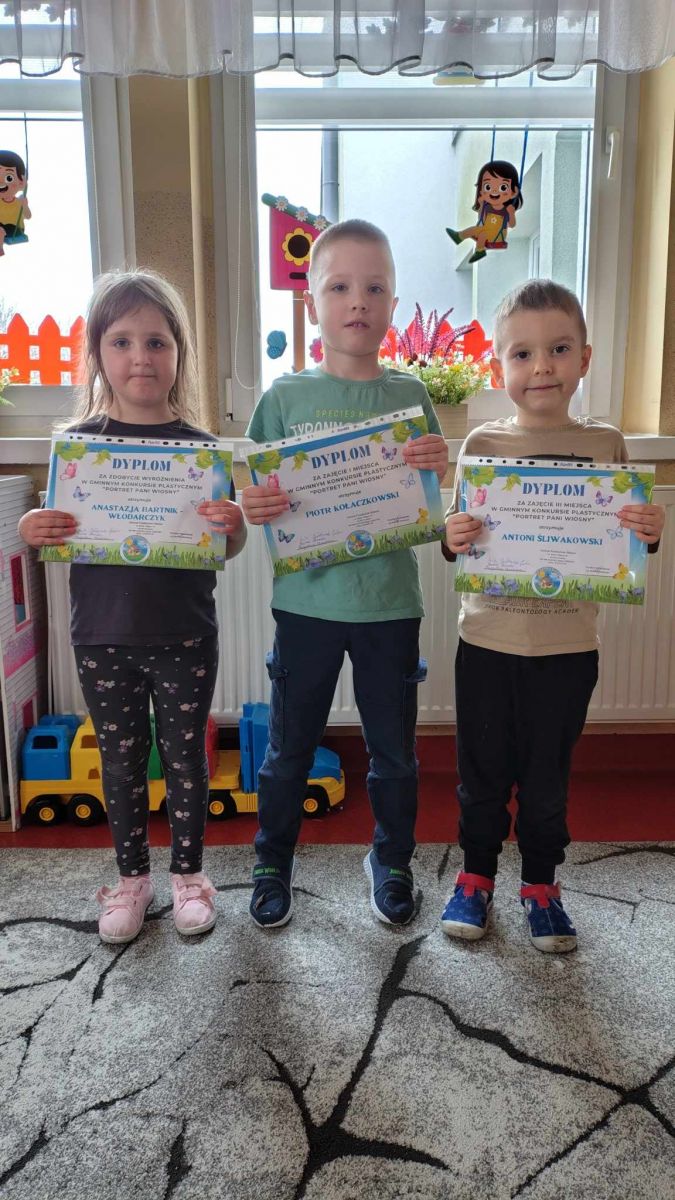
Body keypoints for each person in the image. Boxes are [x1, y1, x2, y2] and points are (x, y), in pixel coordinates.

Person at [18, 269, 246, 944]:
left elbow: (223, 548)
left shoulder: (201, 450)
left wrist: (233, 526)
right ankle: (131, 879)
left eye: (156, 341)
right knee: (119, 764)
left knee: (186, 759)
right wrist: (32, 528)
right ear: (97, 353)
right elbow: (54, 530)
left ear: (178, 353)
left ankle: (189, 877)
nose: (140, 356)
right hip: (102, 636)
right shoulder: (78, 447)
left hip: (184, 635)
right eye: (121, 341)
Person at [440, 279, 665, 952]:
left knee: (546, 781)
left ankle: (540, 884)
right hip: (486, 641)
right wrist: (452, 535)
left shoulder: (606, 445)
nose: (541, 367)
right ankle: (475, 876)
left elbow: (625, 540)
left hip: (567, 649)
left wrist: (648, 532)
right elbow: (456, 538)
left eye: (558, 349)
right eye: (522, 353)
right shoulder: (481, 442)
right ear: (498, 367)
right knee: (481, 774)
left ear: (584, 359)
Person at [242, 219, 449, 929]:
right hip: (306, 605)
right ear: (312, 304)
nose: (357, 300)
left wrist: (438, 468)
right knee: (288, 750)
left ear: (393, 303)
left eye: (374, 287)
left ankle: (391, 861)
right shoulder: (283, 398)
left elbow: (430, 504)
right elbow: (257, 494)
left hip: (390, 605)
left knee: (394, 755)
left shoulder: (411, 395)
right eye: (338, 287)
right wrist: (254, 503)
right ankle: (272, 861)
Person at [446, 160, 522, 264]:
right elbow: (481, 218)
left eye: (503, 187)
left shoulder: (506, 210)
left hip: (497, 237)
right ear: (481, 191)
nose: (494, 191)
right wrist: (481, 204)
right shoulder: (487, 207)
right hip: (485, 230)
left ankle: (479, 251)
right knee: (474, 230)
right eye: (488, 187)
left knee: (482, 234)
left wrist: (511, 213)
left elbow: (511, 224)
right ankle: (459, 237)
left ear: (513, 192)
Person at [0, 150, 31, 253]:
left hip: (15, 229)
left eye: (9, 178)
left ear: (21, 183)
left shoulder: (19, 202)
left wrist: (25, 205)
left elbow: (28, 216)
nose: (1, 182)